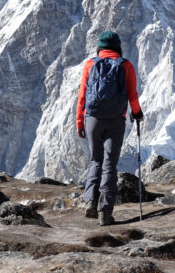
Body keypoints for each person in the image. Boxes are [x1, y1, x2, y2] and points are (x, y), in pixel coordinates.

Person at [76, 31, 143, 226]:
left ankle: (90, 202)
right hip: (116, 120)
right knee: (109, 164)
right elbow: (132, 96)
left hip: (92, 119)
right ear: (118, 47)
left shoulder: (90, 64)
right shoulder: (126, 65)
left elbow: (82, 96)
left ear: (100, 47)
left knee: (95, 160)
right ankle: (105, 212)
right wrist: (137, 113)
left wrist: (80, 121)